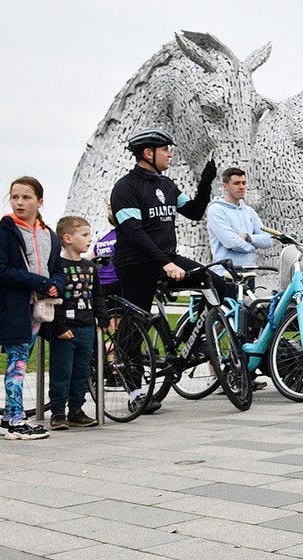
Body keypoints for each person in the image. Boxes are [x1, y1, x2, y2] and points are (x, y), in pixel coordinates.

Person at [110, 129, 218, 413]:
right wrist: (164, 263)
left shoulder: (167, 185)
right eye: (166, 149)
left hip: (165, 257)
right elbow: (133, 232)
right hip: (136, 261)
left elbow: (194, 211)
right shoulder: (126, 187)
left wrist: (206, 180)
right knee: (136, 321)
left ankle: (192, 345)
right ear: (148, 153)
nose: (170, 153)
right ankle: (134, 389)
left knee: (214, 281)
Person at [0, 177, 66, 439]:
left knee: (20, 359)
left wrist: (55, 285)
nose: (19, 202)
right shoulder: (2, 232)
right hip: (11, 307)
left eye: (26, 197)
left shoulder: (48, 235)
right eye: (15, 197)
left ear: (39, 201)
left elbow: (58, 268)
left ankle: (9, 418)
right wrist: (39, 282)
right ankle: (17, 422)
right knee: (17, 361)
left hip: (38, 310)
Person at [48, 215, 108, 429]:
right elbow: (54, 301)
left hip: (87, 327)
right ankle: (57, 412)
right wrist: (59, 327)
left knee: (82, 372)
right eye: (84, 235)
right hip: (66, 330)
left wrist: (102, 317)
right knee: (62, 371)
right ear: (67, 238)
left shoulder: (89, 267)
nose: (89, 239)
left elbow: (97, 295)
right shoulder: (57, 267)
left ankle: (76, 409)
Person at [206, 167, 273, 285]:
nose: (242, 187)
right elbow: (231, 242)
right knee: (228, 304)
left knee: (249, 304)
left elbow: (268, 240)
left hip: (249, 273)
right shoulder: (216, 210)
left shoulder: (249, 211)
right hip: (226, 273)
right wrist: (253, 247)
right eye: (236, 183)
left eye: (244, 183)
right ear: (225, 186)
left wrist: (249, 238)